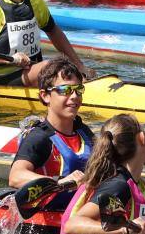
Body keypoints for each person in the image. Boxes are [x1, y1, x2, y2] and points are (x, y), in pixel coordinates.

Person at [9, 57, 93, 209]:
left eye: (78, 90)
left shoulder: (84, 132)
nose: (74, 96)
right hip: (47, 217)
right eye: (65, 90)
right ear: (45, 96)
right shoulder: (39, 137)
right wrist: (59, 182)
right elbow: (15, 177)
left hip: (75, 217)